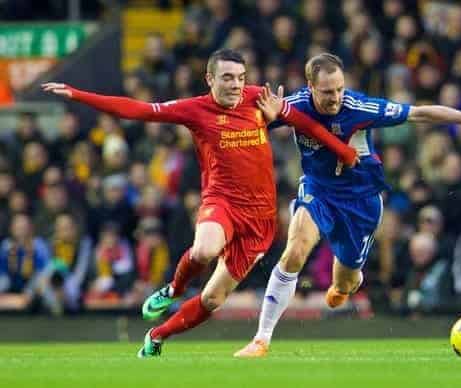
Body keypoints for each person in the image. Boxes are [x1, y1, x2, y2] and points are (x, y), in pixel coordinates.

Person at [42, 48, 358, 358]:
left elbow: (308, 124)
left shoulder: (259, 99)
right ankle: (174, 290)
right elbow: (138, 109)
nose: (236, 84)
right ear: (210, 78)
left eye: (240, 77)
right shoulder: (195, 110)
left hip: (259, 219)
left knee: (213, 299)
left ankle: (157, 335)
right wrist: (78, 94)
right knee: (205, 249)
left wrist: (343, 152)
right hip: (221, 201)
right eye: (227, 78)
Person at [235, 52, 461, 357]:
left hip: (361, 203)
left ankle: (346, 284)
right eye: (327, 91)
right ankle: (262, 339)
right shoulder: (294, 106)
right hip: (319, 191)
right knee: (296, 249)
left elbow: (419, 113)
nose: (336, 97)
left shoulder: (359, 107)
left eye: (340, 88)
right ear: (310, 86)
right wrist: (259, 119)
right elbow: (243, 120)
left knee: (346, 282)